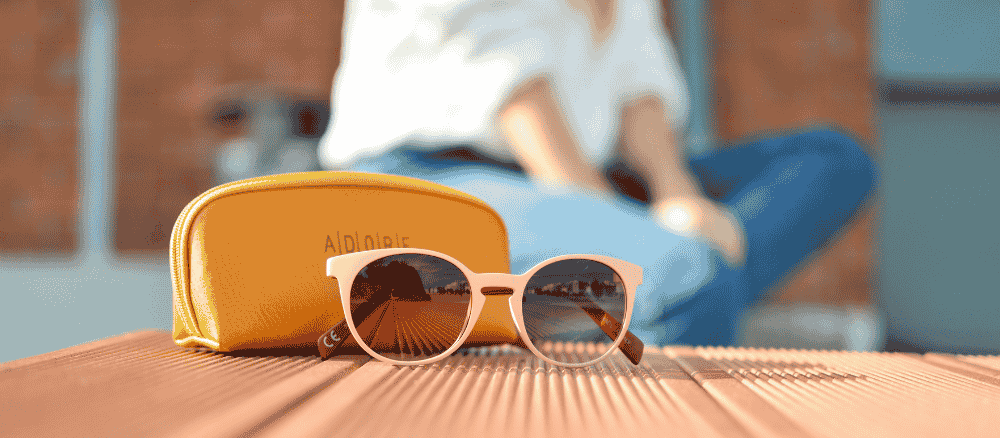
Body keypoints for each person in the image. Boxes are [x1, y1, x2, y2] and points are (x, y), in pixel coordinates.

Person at [318, 0, 876, 346]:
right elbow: (515, 94)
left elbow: (639, 83)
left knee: (833, 161)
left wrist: (678, 199)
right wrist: (629, 231)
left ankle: (593, 312)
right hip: (435, 177)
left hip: (597, 177)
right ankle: (649, 303)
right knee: (688, 281)